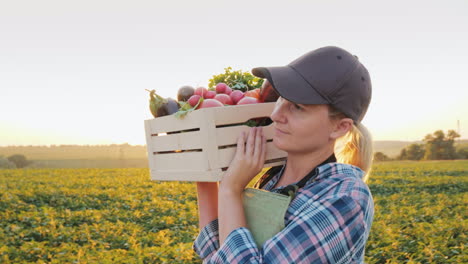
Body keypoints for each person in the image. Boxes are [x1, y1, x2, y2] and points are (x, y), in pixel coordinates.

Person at [193, 46, 374, 263]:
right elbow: (217, 251)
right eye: (280, 99)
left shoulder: (345, 198)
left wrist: (231, 189)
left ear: (339, 127)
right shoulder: (272, 179)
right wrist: (203, 171)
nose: (276, 115)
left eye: (297, 107)